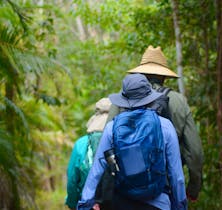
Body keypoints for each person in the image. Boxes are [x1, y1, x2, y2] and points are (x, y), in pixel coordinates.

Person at [106, 46, 203, 201]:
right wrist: (194, 187)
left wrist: (106, 190)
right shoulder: (178, 101)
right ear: (164, 77)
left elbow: (107, 145)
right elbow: (195, 152)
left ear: (140, 73)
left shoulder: (122, 100)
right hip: (164, 188)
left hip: (126, 187)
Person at [77, 74, 187, 210]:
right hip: (158, 203)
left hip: (123, 202)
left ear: (124, 99)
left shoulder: (112, 127)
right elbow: (176, 175)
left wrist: (84, 203)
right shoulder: (164, 126)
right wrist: (180, 205)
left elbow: (97, 169)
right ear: (149, 99)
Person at [65, 98, 111, 210]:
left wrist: (72, 204)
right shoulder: (120, 141)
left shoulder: (81, 144)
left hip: (87, 203)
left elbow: (72, 180)